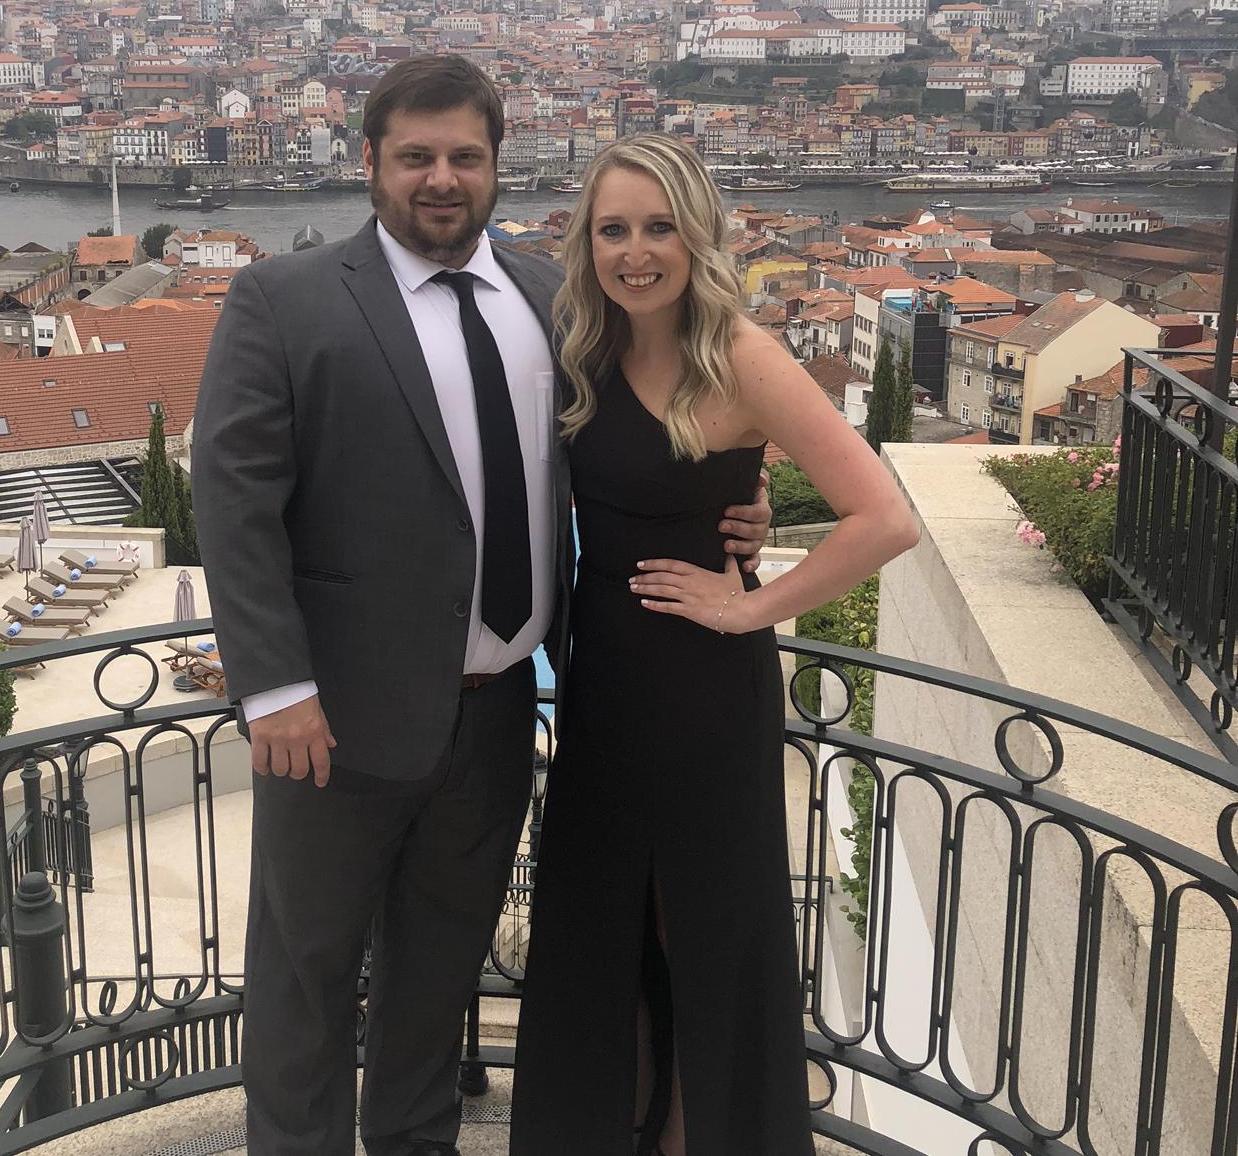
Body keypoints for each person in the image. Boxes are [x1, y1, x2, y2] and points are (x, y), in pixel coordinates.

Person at [190, 57, 775, 1156]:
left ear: (498, 164)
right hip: (333, 721)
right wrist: (274, 689)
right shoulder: (285, 300)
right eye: (415, 156)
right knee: (306, 984)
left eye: (465, 155)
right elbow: (232, 505)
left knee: (436, 978)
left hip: (500, 709)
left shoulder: (558, 299)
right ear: (370, 162)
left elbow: (663, 418)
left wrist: (741, 497)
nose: (441, 178)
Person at [509, 134, 920, 1156]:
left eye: (659, 228)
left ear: (698, 237)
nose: (635, 251)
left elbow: (884, 518)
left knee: (695, 926)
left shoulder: (741, 354)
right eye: (613, 229)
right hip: (604, 683)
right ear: (586, 242)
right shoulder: (585, 345)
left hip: (703, 690)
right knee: (605, 923)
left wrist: (750, 608)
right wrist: (740, 498)